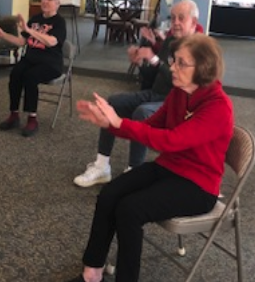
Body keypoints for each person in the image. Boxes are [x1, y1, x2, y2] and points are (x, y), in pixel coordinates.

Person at [67, 33, 234, 282]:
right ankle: (92, 272)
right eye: (173, 60)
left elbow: (171, 140)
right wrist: (109, 124)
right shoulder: (179, 93)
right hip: (169, 168)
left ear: (203, 68)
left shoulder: (218, 107)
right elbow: (151, 126)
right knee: (109, 194)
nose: (172, 68)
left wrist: (119, 121)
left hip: (199, 186)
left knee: (130, 210)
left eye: (181, 63)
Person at [73, 0, 201, 188]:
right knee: (111, 104)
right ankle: (102, 166)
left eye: (181, 18)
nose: (175, 22)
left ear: (193, 21)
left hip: (176, 102)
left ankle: (134, 172)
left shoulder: (199, 47)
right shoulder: (171, 41)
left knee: (141, 113)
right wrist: (141, 64)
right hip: (155, 94)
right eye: (173, 17)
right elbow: (153, 77)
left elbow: (182, 83)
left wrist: (155, 59)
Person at [0, 0, 66, 137]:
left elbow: (51, 42)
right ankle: (14, 114)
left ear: (57, 3)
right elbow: (21, 42)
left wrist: (30, 30)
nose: (45, 2)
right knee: (16, 73)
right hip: (31, 59)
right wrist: (2, 34)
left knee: (31, 76)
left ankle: (32, 118)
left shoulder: (59, 22)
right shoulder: (35, 19)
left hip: (51, 64)